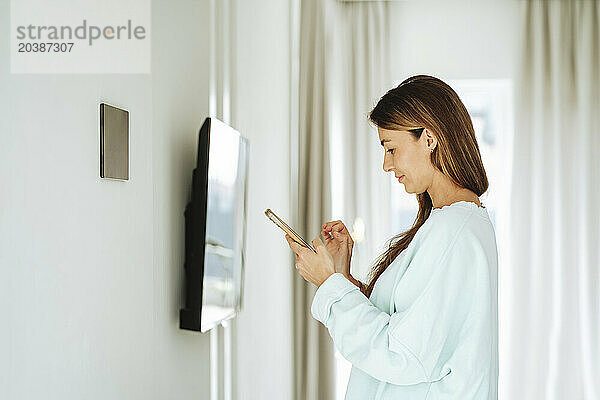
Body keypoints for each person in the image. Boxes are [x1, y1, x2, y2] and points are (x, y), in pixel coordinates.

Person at [285, 75, 499, 399]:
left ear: (429, 138)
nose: (386, 164)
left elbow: (400, 354)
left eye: (391, 148)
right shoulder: (448, 224)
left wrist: (330, 282)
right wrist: (341, 276)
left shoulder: (454, 231)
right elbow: (402, 325)